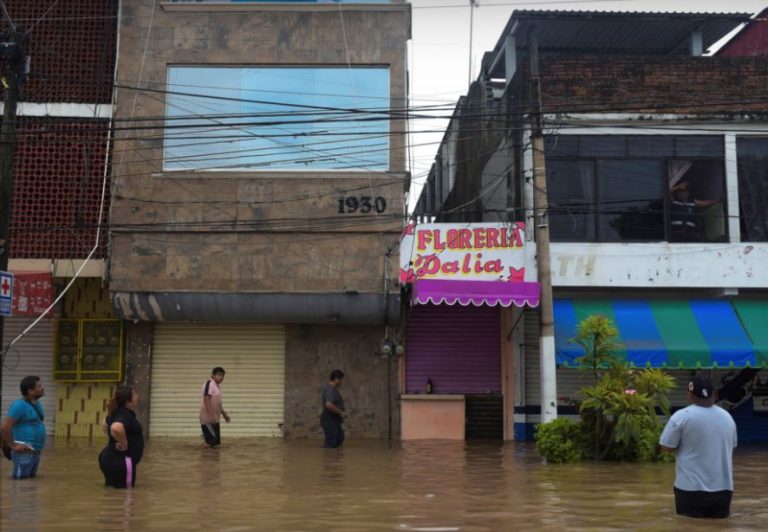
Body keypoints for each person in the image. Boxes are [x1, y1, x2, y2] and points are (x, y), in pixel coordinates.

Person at [660, 376, 737, 519]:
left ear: (690, 394)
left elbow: (666, 447)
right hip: (723, 490)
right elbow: (731, 446)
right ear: (714, 394)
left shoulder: (681, 416)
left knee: (689, 527)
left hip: (690, 489)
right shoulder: (727, 417)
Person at [0, 376, 46, 479]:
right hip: (23, 452)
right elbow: (4, 426)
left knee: (29, 484)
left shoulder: (36, 404)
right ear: (30, 391)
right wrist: (12, 445)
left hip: (35, 452)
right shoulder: (19, 405)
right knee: (19, 485)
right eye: (39, 386)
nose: (43, 387)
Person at [99, 385, 144, 488]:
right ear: (128, 401)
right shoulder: (125, 415)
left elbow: (105, 424)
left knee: (113, 494)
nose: (137, 396)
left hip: (110, 457)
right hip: (123, 460)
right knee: (127, 495)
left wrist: (113, 438)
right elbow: (116, 427)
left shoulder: (115, 413)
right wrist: (124, 443)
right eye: (134, 394)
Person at [200, 367, 230, 448]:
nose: (221, 377)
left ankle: (213, 460)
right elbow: (206, 399)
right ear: (213, 375)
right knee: (209, 443)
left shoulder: (217, 386)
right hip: (208, 420)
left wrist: (224, 414)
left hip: (215, 420)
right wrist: (211, 416)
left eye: (223, 375)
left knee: (216, 444)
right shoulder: (209, 384)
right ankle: (202, 459)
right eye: (219, 375)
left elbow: (218, 403)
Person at [320, 369, 348, 448]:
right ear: (336, 379)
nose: (342, 382)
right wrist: (341, 413)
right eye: (341, 380)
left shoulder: (334, 389)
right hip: (330, 422)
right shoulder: (330, 390)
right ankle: (329, 458)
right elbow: (329, 404)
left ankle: (334, 458)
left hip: (334, 422)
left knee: (340, 438)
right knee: (331, 444)